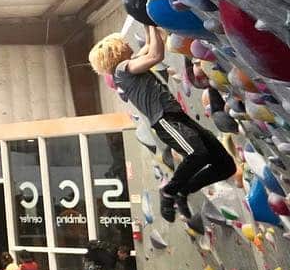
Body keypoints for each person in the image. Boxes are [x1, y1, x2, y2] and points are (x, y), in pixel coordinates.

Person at [90, 28, 236, 222]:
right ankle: (169, 191)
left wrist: (146, 24)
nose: (128, 45)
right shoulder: (121, 68)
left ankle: (183, 191)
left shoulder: (129, 66)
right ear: (115, 52)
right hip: (165, 120)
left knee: (225, 166)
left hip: (178, 117)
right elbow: (156, 55)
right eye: (123, 44)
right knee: (196, 153)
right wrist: (149, 27)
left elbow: (150, 47)